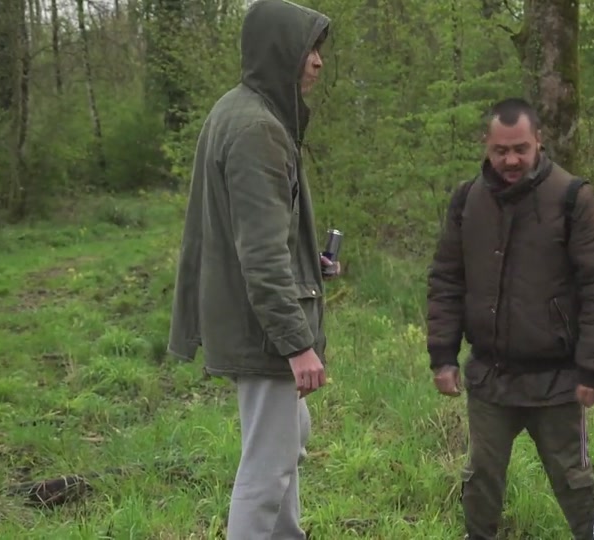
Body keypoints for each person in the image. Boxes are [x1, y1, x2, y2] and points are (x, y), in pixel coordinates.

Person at [165, 1, 335, 538]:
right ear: (281, 51)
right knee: (266, 472)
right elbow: (259, 256)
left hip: (248, 318)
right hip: (261, 330)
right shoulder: (258, 130)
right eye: (309, 50)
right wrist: (296, 341)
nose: (318, 63)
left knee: (286, 441)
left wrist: (313, 264)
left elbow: (260, 238)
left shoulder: (237, 110)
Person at [425, 97, 594, 540]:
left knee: (575, 484)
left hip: (556, 379)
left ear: (539, 141)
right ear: (486, 146)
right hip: (490, 378)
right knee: (480, 481)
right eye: (501, 151)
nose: (511, 160)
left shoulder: (574, 197)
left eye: (521, 148)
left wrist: (593, 367)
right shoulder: (467, 200)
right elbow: (446, 281)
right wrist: (442, 355)